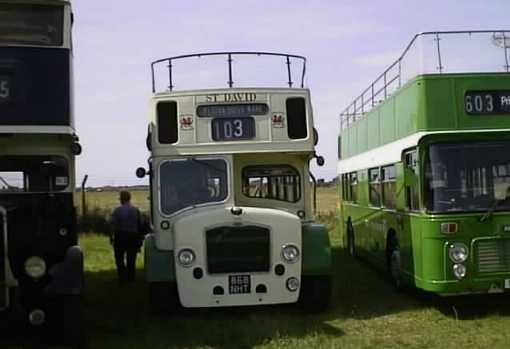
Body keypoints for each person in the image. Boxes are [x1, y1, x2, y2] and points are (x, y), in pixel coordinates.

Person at [111, 191, 142, 283]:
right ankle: (131, 278)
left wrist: (111, 236)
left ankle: (122, 277)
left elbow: (113, 225)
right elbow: (139, 224)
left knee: (119, 258)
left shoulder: (117, 210)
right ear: (129, 198)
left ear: (121, 199)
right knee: (131, 258)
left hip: (120, 235)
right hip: (133, 235)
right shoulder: (135, 210)